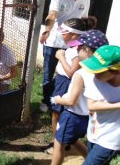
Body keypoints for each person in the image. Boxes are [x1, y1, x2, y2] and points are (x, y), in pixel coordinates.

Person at [50, 30, 109, 165]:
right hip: (87, 117)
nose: (77, 49)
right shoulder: (101, 73)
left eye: (79, 48)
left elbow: (71, 100)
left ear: (87, 51)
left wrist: (57, 99)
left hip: (72, 115)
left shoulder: (81, 73)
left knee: (58, 145)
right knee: (74, 139)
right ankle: (91, 160)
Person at [39, 0, 90, 112]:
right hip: (54, 41)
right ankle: (46, 101)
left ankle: (62, 98)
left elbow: (84, 19)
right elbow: (52, 14)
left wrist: (84, 39)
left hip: (72, 44)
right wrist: (47, 30)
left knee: (66, 74)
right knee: (48, 74)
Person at [45, 17, 97, 154]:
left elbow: (71, 72)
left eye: (64, 32)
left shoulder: (76, 50)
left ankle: (58, 143)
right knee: (57, 113)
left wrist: (61, 57)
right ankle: (61, 141)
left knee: (56, 113)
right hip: (61, 82)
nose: (61, 34)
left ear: (73, 34)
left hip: (65, 83)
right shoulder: (74, 45)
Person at [80, 45, 120, 165]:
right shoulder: (96, 81)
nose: (94, 74)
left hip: (111, 139)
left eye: (99, 71)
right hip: (94, 133)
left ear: (116, 71)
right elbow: (91, 106)